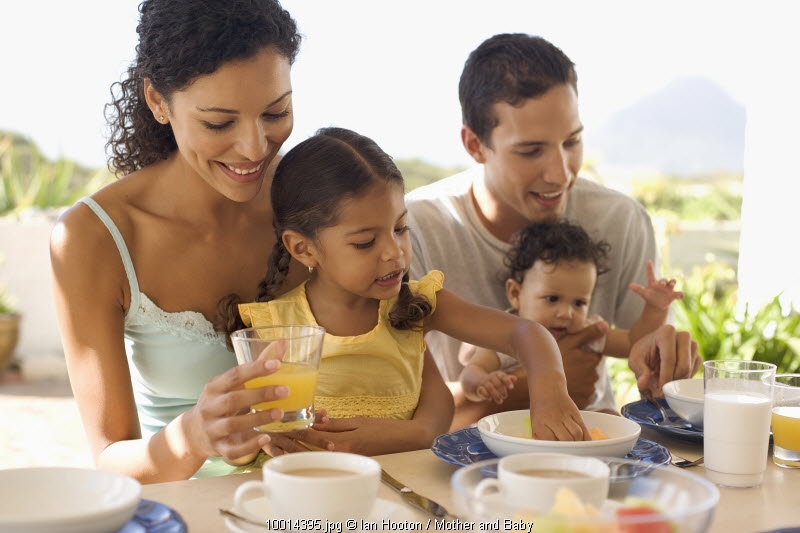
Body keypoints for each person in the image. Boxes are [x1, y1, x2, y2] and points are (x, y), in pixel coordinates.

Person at [49, 0, 309, 483]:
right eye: (219, 123)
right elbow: (109, 459)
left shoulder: (312, 200)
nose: (255, 148)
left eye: (276, 112)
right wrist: (191, 436)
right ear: (157, 102)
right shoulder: (95, 237)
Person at [219, 127, 591, 457]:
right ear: (303, 249)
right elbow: (242, 443)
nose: (394, 252)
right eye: (365, 242)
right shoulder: (273, 328)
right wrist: (251, 439)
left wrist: (550, 390)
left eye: (400, 228)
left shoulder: (415, 307)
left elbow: (525, 332)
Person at [406, 33, 701, 429]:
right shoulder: (414, 229)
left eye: (572, 142)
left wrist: (659, 362)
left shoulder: (621, 220)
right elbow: (400, 410)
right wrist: (541, 386)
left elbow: (638, 349)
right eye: (531, 151)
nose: (561, 174)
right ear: (475, 144)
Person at [459, 220, 684, 411]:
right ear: (516, 293)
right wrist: (484, 383)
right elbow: (471, 373)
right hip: (519, 426)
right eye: (552, 299)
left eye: (579, 303)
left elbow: (635, 343)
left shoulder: (589, 333)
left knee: (609, 415)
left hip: (580, 423)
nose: (566, 314)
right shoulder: (503, 335)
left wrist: (655, 309)